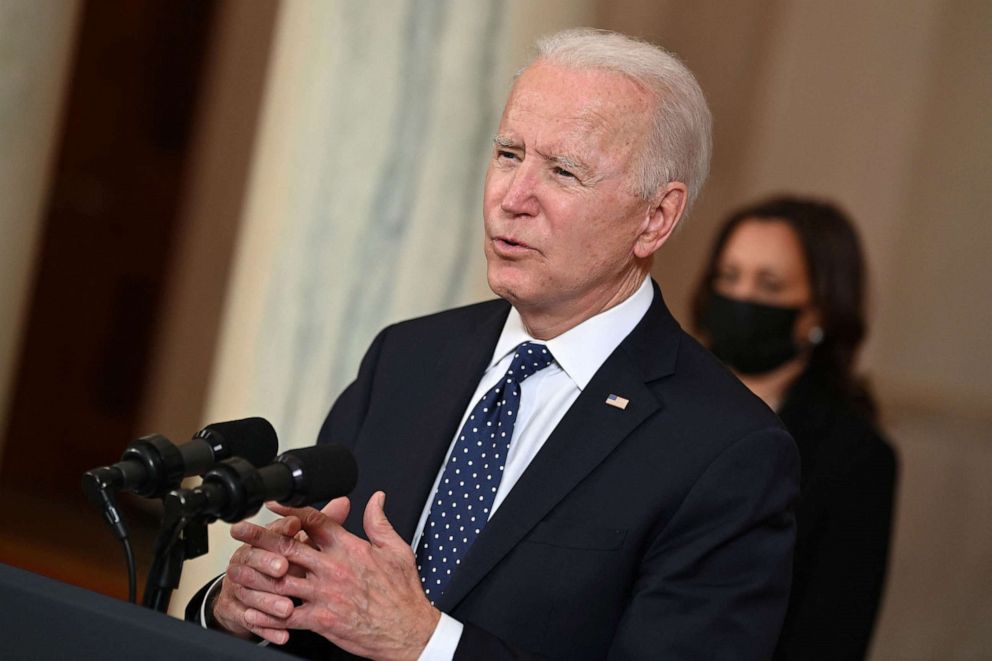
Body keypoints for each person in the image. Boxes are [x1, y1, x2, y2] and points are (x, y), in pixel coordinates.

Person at [187, 29, 800, 660]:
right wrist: (233, 607)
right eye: (509, 154)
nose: (512, 199)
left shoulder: (726, 450)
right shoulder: (407, 358)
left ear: (655, 218)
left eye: (563, 171)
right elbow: (310, 574)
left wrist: (427, 643)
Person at [691, 196, 898, 660]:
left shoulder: (854, 455)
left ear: (817, 312)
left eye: (769, 285)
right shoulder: (663, 399)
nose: (742, 298)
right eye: (729, 276)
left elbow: (832, 631)